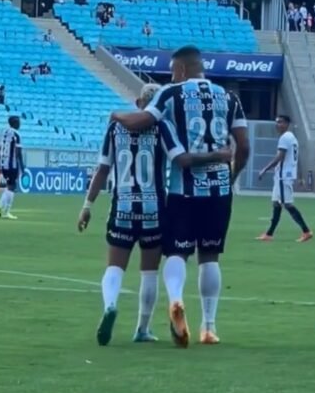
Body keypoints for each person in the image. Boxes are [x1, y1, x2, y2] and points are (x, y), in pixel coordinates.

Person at [111, 46, 250, 348]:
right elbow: (244, 146)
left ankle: (176, 300)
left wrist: (116, 115)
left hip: (183, 189)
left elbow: (141, 122)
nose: (171, 76)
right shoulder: (230, 98)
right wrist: (231, 178)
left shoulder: (171, 93)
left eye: (173, 70)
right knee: (210, 256)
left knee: (177, 253)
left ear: (183, 70)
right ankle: (209, 327)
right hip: (219, 189)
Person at [79, 84, 234, 346]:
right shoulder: (163, 128)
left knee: (114, 267)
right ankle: (142, 328)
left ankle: (110, 305)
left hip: (123, 206)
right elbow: (183, 159)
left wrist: (87, 205)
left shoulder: (115, 128)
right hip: (154, 207)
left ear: (139, 102)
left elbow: (102, 170)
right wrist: (217, 156)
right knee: (148, 272)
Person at [256, 115, 312, 242]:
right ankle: (269, 234)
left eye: (280, 122)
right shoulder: (291, 137)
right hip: (282, 175)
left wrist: (264, 169)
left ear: (287, 123)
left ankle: (306, 231)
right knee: (276, 203)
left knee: (287, 204)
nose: (278, 125)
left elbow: (279, 157)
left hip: (283, 176)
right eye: (276, 122)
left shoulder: (285, 137)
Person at [0, 116, 24, 220]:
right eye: (19, 122)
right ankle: (4, 209)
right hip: (12, 164)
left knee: (8, 186)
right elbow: (18, 153)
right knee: (12, 187)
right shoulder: (16, 134)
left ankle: (1, 206)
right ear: (15, 123)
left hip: (3, 164)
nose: (20, 124)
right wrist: (22, 167)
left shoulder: (2, 133)